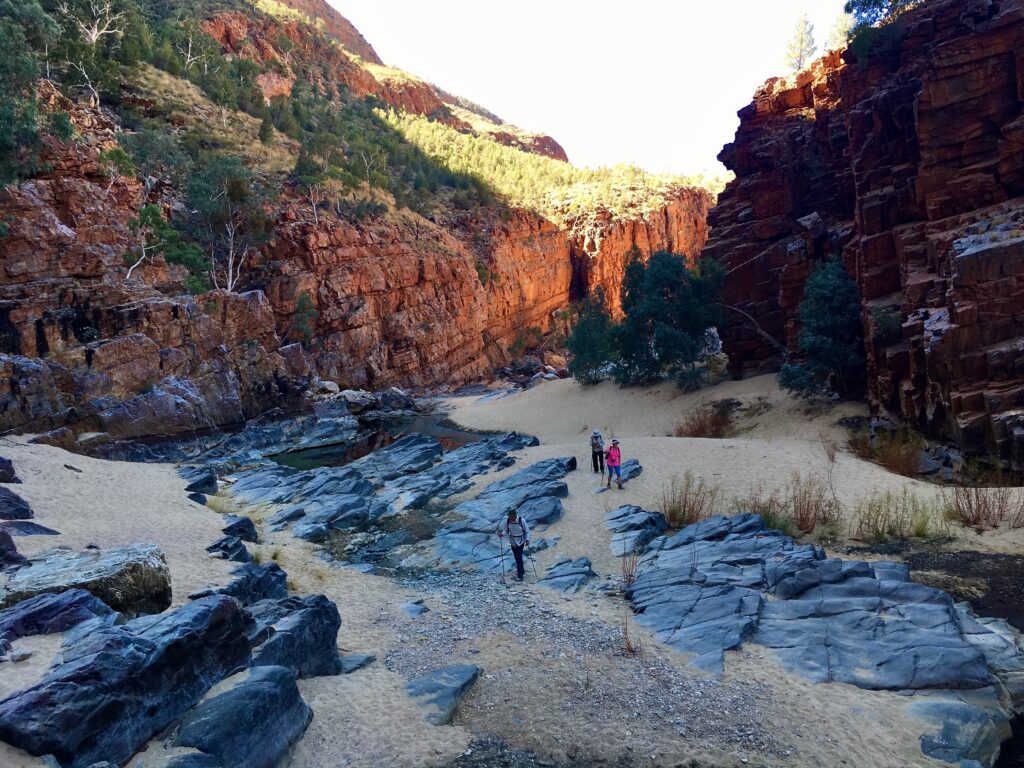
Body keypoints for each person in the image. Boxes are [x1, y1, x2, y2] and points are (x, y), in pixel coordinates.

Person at [497, 508, 530, 581]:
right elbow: (506, 530)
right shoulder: (508, 521)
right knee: (516, 556)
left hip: (520, 541)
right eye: (509, 517)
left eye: (511, 517)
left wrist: (527, 540)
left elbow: (527, 531)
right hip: (512, 541)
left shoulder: (521, 520)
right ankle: (521, 570)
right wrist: (502, 534)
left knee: (518, 557)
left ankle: (520, 575)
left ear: (515, 515)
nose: (510, 518)